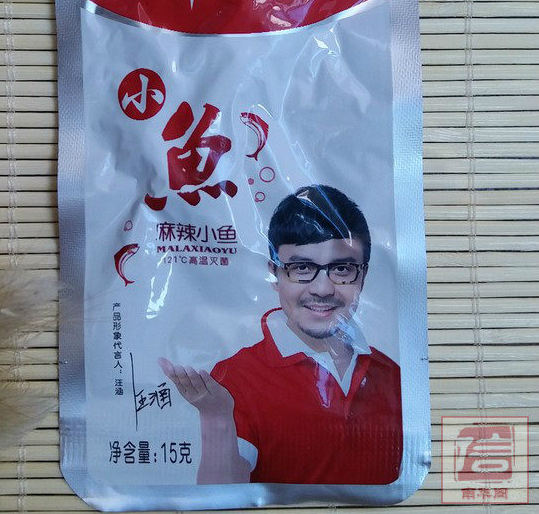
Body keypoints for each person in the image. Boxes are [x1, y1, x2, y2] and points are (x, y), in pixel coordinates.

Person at [158, 184, 402, 485]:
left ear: (362, 276)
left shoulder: (393, 378)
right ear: (275, 274)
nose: (322, 289)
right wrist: (217, 417)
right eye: (302, 268)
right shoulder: (234, 378)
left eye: (342, 269)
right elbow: (222, 495)